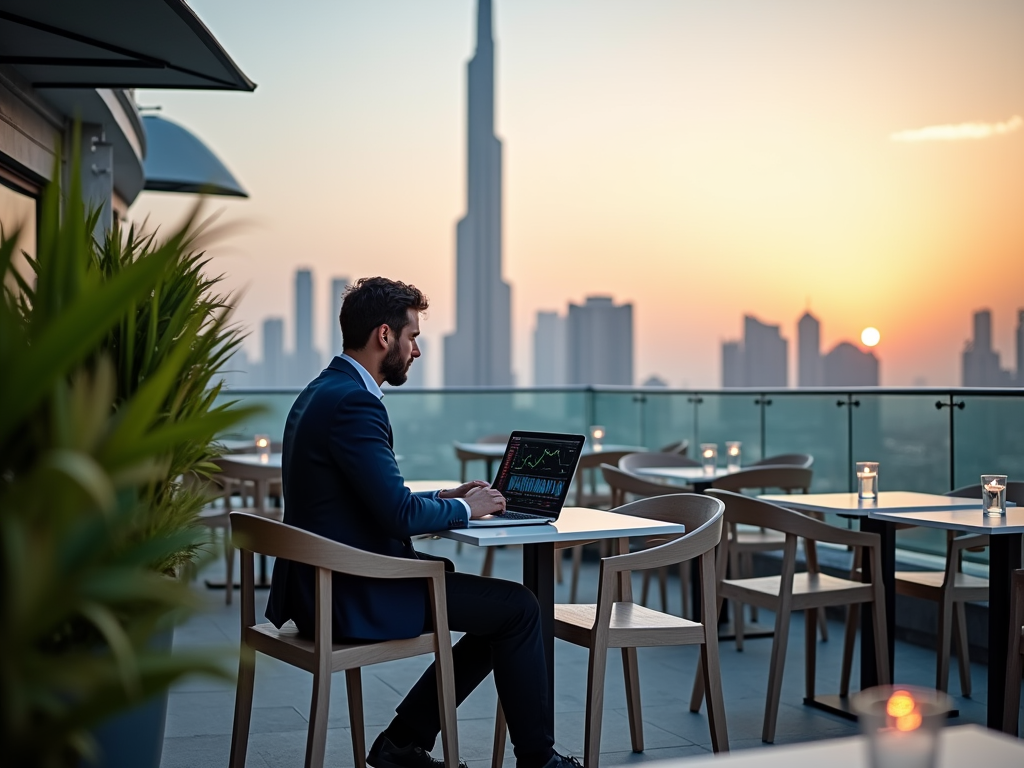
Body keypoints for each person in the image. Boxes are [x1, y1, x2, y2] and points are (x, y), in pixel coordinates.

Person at [267, 277, 577, 768]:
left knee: (492, 609)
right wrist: (467, 510)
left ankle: (403, 743)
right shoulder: (355, 403)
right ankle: (538, 760)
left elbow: (371, 498)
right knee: (518, 608)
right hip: (350, 594)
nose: (417, 350)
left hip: (319, 587)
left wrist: (446, 495)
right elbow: (397, 514)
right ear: (384, 336)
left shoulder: (321, 391)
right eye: (413, 337)